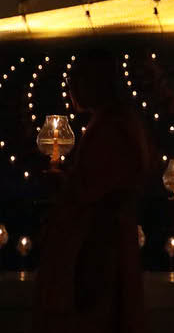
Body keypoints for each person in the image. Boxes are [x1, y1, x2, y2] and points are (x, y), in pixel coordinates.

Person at [34, 49, 150, 333]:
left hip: (99, 248)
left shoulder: (113, 127)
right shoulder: (110, 122)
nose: (71, 89)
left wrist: (91, 263)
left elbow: (107, 195)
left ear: (98, 82)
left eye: (78, 81)